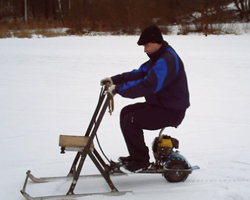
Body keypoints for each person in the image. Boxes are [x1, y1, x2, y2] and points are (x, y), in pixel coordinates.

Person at [101, 25, 190, 172]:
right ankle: (136, 156)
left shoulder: (167, 60)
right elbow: (139, 74)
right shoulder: (158, 58)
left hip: (171, 111)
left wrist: (118, 89)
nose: (145, 50)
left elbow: (148, 85)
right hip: (160, 105)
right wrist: (114, 80)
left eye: (147, 45)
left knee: (132, 120)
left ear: (156, 42)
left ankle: (141, 161)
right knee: (126, 113)